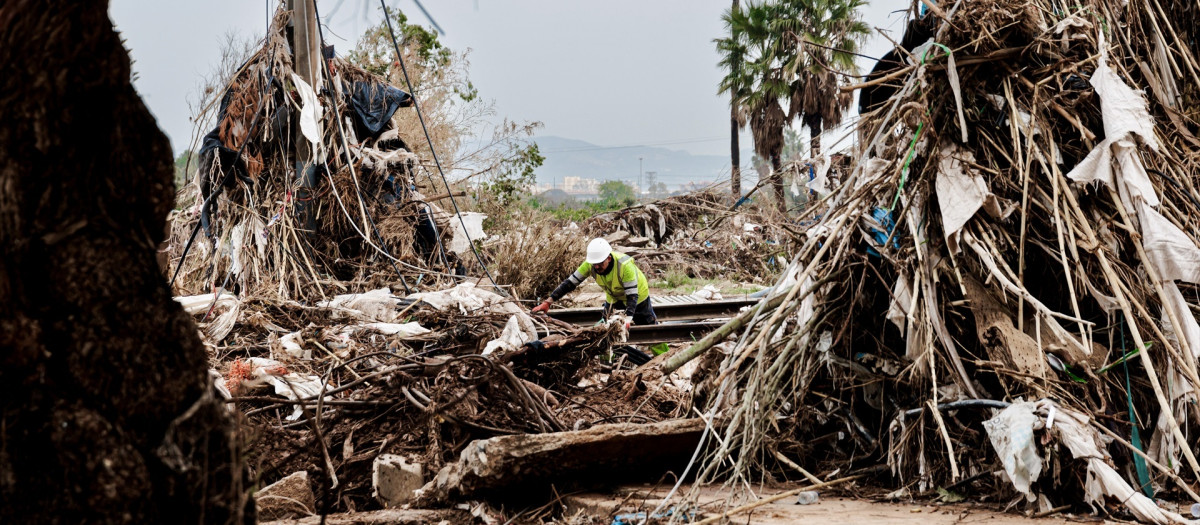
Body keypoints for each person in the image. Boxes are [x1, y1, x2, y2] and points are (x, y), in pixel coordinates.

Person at [532, 238, 656, 326]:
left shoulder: (624, 265)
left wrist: (628, 318)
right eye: (594, 264)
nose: (596, 267)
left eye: (600, 264)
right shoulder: (590, 264)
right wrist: (548, 302)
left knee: (649, 330)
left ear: (608, 258)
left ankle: (662, 356)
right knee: (605, 329)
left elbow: (632, 295)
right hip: (614, 298)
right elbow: (570, 283)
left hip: (638, 297)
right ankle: (609, 361)